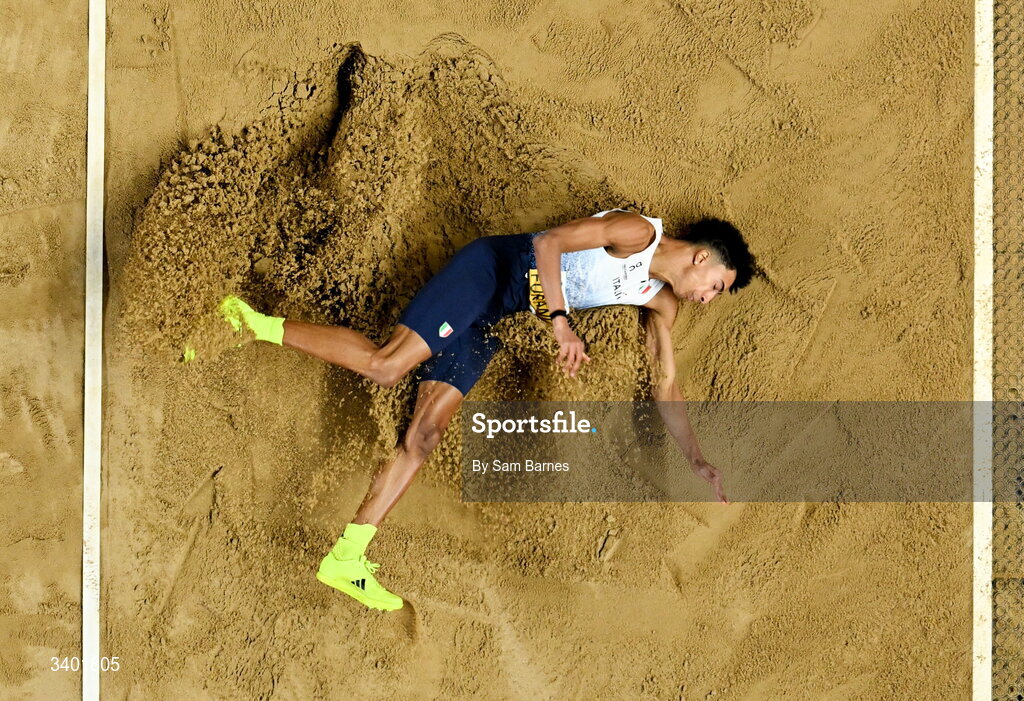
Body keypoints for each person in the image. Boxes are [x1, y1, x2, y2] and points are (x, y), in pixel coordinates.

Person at [187, 208, 757, 611]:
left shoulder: (658, 304)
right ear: (703, 257)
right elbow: (549, 243)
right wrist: (561, 323)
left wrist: (697, 459)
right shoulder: (637, 233)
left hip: (490, 321)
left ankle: (347, 556)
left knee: (424, 439)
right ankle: (246, 322)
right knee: (387, 366)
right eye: (717, 285)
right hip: (486, 272)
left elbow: (667, 385)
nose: (709, 298)